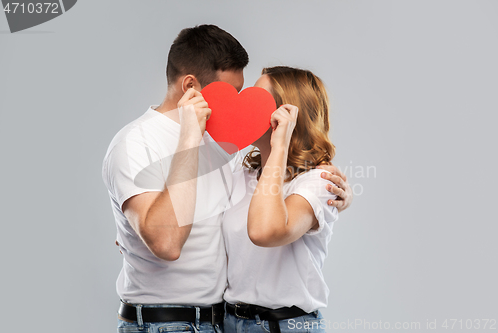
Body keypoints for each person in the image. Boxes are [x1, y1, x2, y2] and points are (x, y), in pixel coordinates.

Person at [102, 25, 352, 333]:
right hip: (174, 324)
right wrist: (133, 233)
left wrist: (337, 197)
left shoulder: (228, 154)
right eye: (237, 96)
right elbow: (167, 239)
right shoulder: (139, 143)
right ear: (190, 87)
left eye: (253, 99)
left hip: (240, 323)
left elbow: (257, 226)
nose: (240, 107)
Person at [222, 66, 345, 333]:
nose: (245, 108)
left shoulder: (319, 182)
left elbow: (265, 231)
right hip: (229, 322)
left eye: (258, 100)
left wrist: (279, 146)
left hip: (286, 326)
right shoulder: (239, 173)